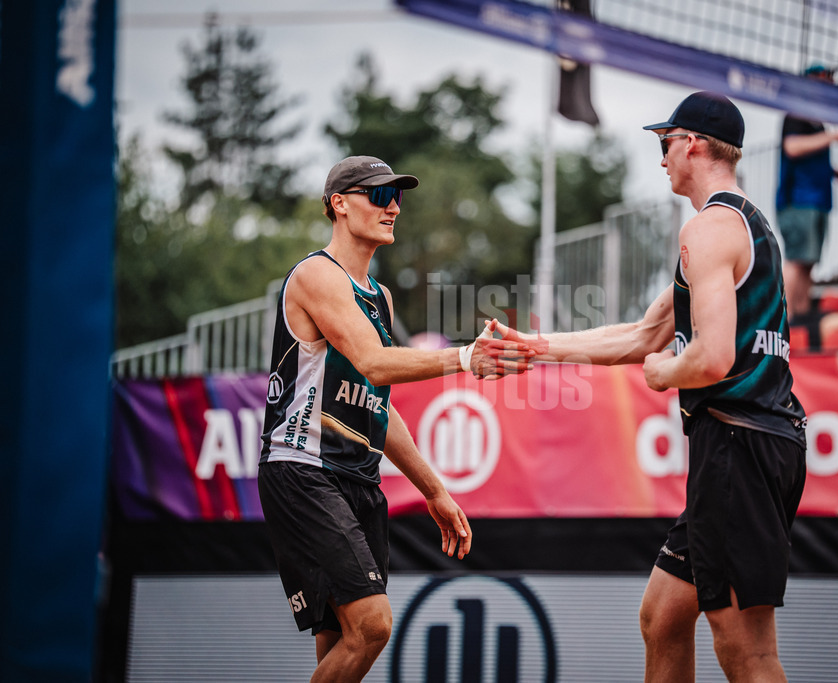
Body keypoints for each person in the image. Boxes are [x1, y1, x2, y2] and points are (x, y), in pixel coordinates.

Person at [499, 92, 806, 682]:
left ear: (692, 144)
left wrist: (666, 374)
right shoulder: (743, 225)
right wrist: (535, 348)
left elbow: (711, 358)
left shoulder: (708, 229)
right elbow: (642, 335)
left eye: (665, 143)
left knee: (747, 651)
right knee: (662, 617)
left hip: (739, 445)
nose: (662, 158)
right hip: (751, 441)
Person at [257, 156, 536, 682]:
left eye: (398, 197)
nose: (394, 208)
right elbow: (375, 363)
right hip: (303, 469)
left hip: (357, 477)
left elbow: (377, 405)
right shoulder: (317, 274)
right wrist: (464, 356)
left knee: (342, 643)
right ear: (339, 204)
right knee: (373, 625)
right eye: (380, 196)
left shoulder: (379, 297)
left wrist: (434, 490)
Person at [776, 64, 838, 320]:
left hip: (818, 201)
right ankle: (784, 320)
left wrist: (831, 171)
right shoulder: (796, 114)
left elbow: (808, 156)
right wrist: (834, 138)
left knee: (808, 263)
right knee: (796, 261)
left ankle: (799, 320)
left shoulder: (816, 120)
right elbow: (793, 147)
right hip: (798, 201)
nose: (830, 83)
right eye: (824, 79)